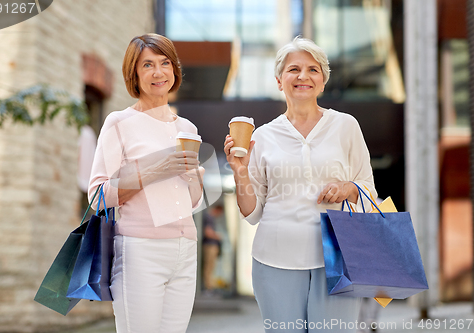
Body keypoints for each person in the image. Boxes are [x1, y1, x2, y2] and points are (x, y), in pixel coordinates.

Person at [224, 36, 377, 332]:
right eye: (294, 69)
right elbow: (252, 213)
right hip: (274, 260)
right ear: (280, 81)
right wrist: (240, 171)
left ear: (322, 82)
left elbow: (369, 190)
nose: (303, 76)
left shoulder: (346, 126)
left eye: (313, 70)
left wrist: (349, 188)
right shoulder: (264, 136)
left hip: (339, 259)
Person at [88, 33, 204, 333]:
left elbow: (193, 201)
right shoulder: (119, 123)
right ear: (134, 74)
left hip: (185, 249)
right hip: (140, 249)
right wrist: (155, 171)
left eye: (165, 63)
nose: (158, 72)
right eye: (148, 65)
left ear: (174, 70)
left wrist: (193, 179)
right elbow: (97, 197)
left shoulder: (187, 128)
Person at [202, 204, 224, 293]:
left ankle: (210, 286)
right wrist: (217, 236)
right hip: (210, 245)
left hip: (211, 245)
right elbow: (208, 232)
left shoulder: (209, 217)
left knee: (211, 267)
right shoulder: (209, 217)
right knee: (209, 267)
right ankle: (209, 287)